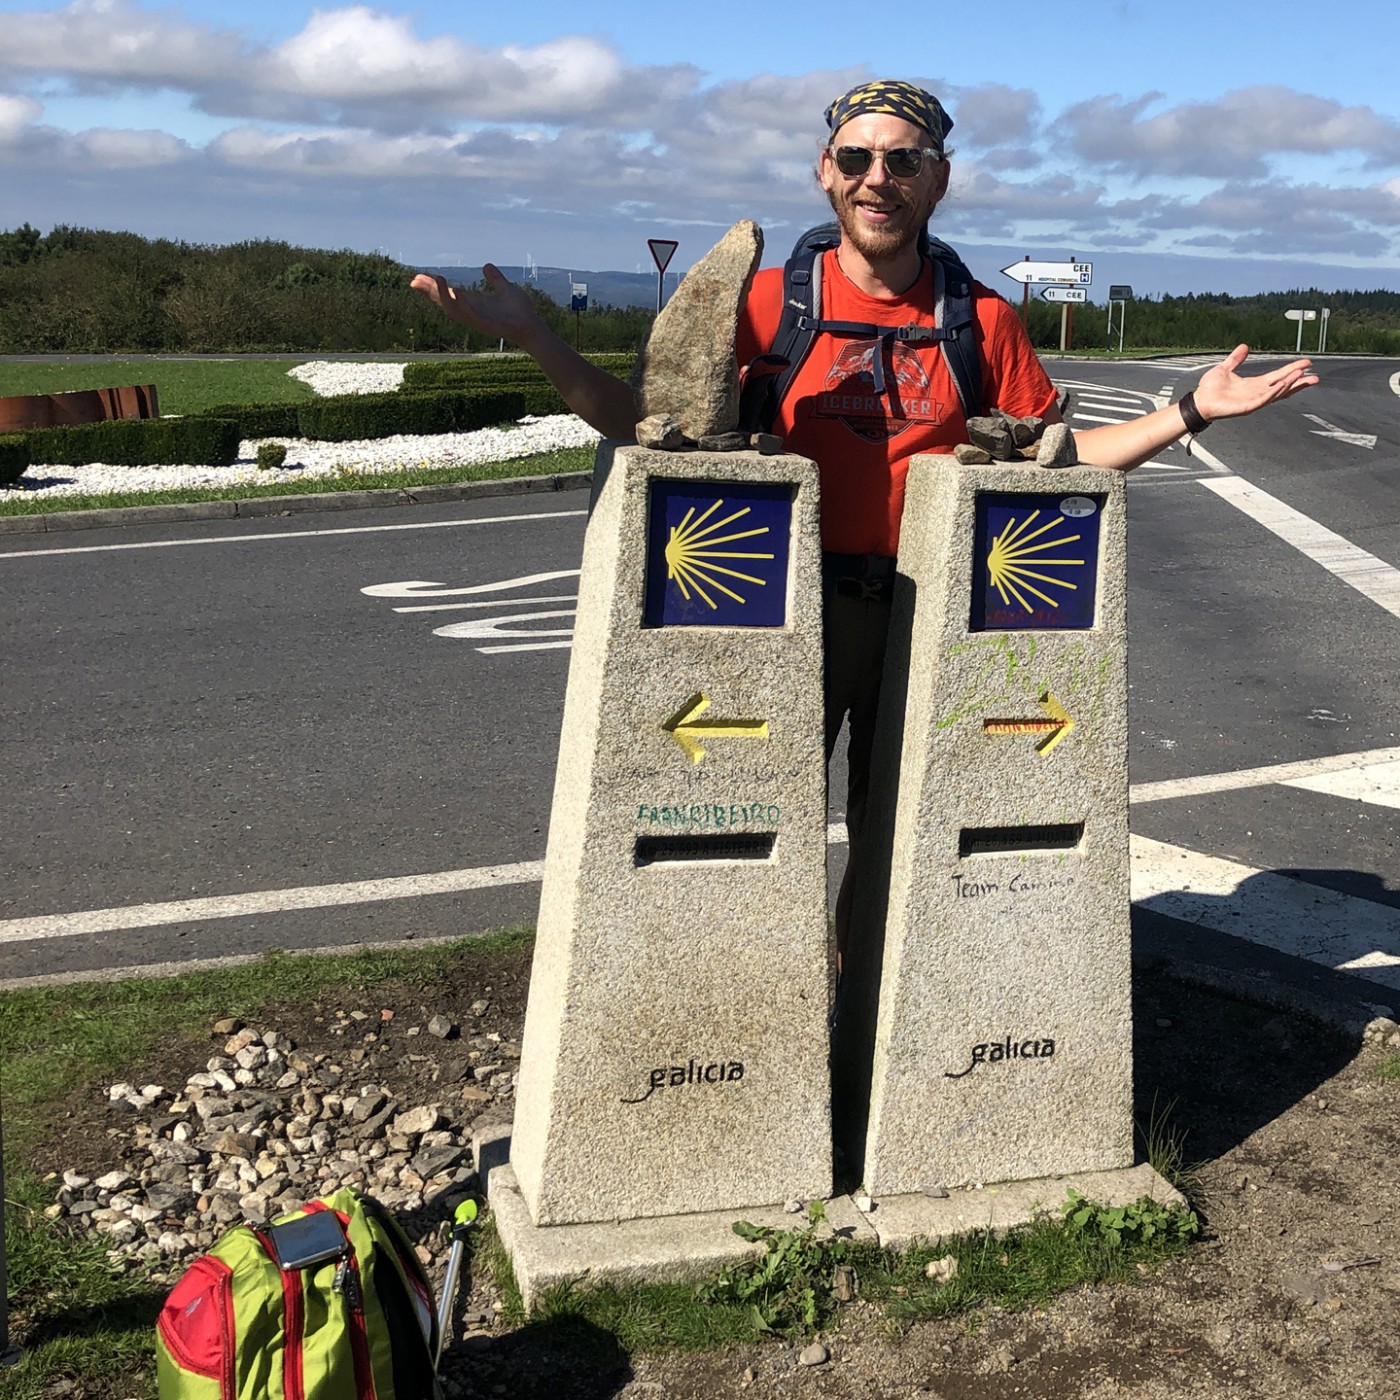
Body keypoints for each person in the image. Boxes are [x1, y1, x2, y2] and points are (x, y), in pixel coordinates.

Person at [411, 78, 1318, 963]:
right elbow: (651, 424)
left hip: (934, 617)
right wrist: (535, 336)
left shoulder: (981, 321)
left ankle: (861, 1035)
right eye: (858, 156)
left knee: (901, 841)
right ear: (825, 171)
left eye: (903, 159)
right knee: (745, 823)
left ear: (938, 178)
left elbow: (1057, 462)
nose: (878, 176)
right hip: (777, 614)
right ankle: (763, 1035)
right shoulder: (765, 302)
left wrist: (1191, 412)